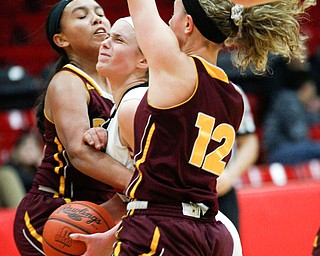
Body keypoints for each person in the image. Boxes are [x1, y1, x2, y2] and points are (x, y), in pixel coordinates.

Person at [74, 0, 315, 254]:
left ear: (187, 24)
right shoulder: (234, 98)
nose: (167, 23)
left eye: (174, 15)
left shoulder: (176, 70)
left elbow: (140, 6)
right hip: (208, 232)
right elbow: (177, 184)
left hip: (161, 231)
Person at [76, 16, 243, 255]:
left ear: (144, 59)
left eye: (118, 39)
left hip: (178, 229)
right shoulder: (124, 106)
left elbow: (160, 191)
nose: (105, 43)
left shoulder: (134, 105)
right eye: (108, 36)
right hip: (194, 227)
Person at [13, 1, 133, 255]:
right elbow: (80, 154)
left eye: (100, 14)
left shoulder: (120, 85)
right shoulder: (68, 81)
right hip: (55, 211)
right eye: (82, 16)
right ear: (61, 40)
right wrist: (144, 186)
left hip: (102, 209)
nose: (97, 19)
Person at [217, 87, 259, 231]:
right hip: (183, 194)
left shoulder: (232, 92)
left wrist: (230, 175)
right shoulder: (175, 87)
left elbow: (250, 143)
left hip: (222, 193)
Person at [262, 68, 320, 164]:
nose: (312, 97)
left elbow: (311, 119)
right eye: (312, 93)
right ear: (305, 88)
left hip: (290, 147)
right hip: (277, 150)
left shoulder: (298, 103)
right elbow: (298, 134)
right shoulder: (288, 101)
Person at [0, 131, 42, 207]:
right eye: (25, 146)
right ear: (16, 150)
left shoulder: (39, 171)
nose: (29, 151)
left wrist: (42, 167)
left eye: (32, 147)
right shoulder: (8, 172)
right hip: (18, 212)